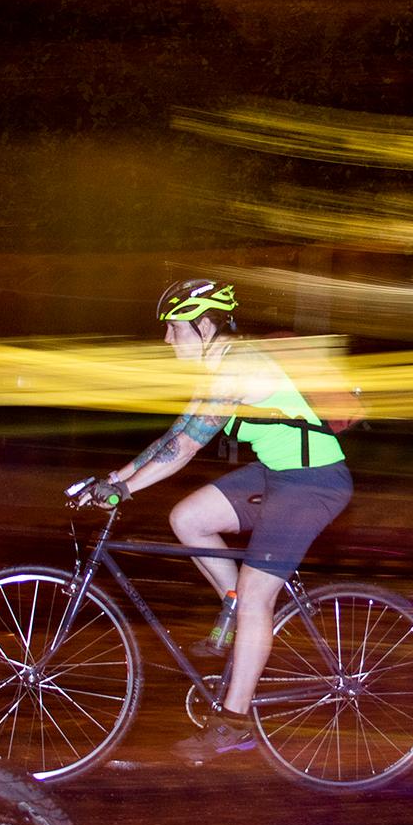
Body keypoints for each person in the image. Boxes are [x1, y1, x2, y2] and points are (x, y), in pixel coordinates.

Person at [85, 279, 353, 765]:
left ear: (204, 325)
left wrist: (124, 490)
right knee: (188, 518)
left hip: (313, 481)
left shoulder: (237, 368)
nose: (167, 340)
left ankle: (234, 723)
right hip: (276, 473)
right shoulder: (218, 366)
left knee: (258, 596)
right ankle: (232, 612)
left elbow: (186, 450)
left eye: (174, 329)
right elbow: (176, 434)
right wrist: (114, 477)